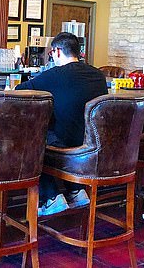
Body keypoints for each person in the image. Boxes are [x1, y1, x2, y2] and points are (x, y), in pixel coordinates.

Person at [15, 32, 108, 216]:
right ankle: (75, 190)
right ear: (78, 53)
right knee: (56, 132)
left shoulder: (53, 75)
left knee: (34, 137)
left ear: (57, 52)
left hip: (67, 146)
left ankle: (50, 197)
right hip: (93, 147)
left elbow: (19, 91)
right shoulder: (98, 75)